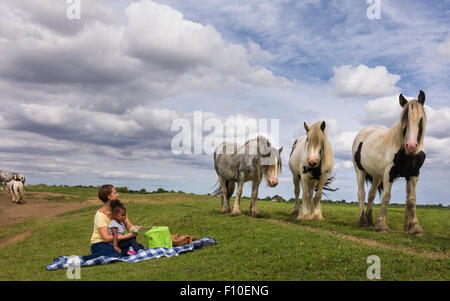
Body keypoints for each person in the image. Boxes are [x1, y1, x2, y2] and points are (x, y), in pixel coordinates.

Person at [82, 184, 143, 260]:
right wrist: (128, 236)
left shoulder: (119, 210)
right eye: (115, 193)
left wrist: (135, 228)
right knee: (114, 255)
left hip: (116, 242)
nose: (118, 195)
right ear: (109, 197)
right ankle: (81, 259)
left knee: (139, 246)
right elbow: (106, 238)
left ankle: (121, 253)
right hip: (100, 244)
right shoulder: (100, 215)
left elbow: (128, 225)